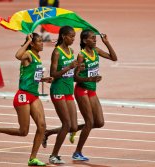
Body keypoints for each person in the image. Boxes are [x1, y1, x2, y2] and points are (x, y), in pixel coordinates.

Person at [0, 33, 53, 166]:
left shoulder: (38, 57)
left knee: (42, 126)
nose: (42, 43)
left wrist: (44, 79)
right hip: (23, 95)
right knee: (23, 131)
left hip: (34, 95)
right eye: (39, 41)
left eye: (41, 41)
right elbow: (17, 55)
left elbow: (32, 76)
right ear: (32, 44)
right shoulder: (28, 55)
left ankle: (32, 158)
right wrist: (27, 42)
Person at [71, 29, 117, 160]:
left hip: (91, 90)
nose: (95, 39)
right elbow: (75, 77)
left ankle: (73, 129)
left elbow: (114, 58)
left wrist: (107, 42)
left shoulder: (96, 50)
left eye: (95, 38)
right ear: (85, 40)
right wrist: (90, 79)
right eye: (92, 38)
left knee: (99, 122)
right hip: (81, 90)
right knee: (89, 122)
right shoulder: (81, 55)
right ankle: (77, 152)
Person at [43, 25, 78, 164]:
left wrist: (78, 68)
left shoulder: (72, 50)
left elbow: (72, 74)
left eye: (74, 36)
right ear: (64, 36)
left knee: (73, 126)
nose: (73, 39)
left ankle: (47, 133)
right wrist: (69, 67)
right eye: (71, 36)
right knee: (67, 124)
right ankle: (53, 155)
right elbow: (53, 75)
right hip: (58, 90)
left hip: (69, 89)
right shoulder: (56, 52)